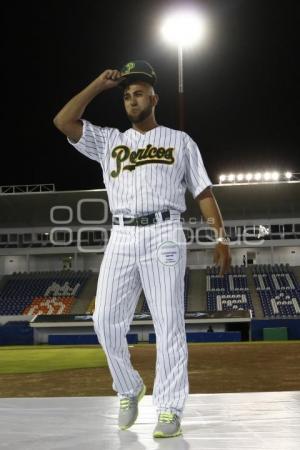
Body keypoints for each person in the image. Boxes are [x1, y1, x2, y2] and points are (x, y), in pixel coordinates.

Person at [53, 60, 231, 438]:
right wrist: (96, 86)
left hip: (164, 232)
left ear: (155, 97)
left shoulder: (179, 141)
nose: (132, 100)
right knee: (103, 321)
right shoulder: (109, 142)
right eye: (127, 96)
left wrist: (221, 237)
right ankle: (129, 386)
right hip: (121, 235)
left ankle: (169, 408)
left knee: (169, 324)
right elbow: (63, 121)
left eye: (139, 93)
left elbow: (203, 192)